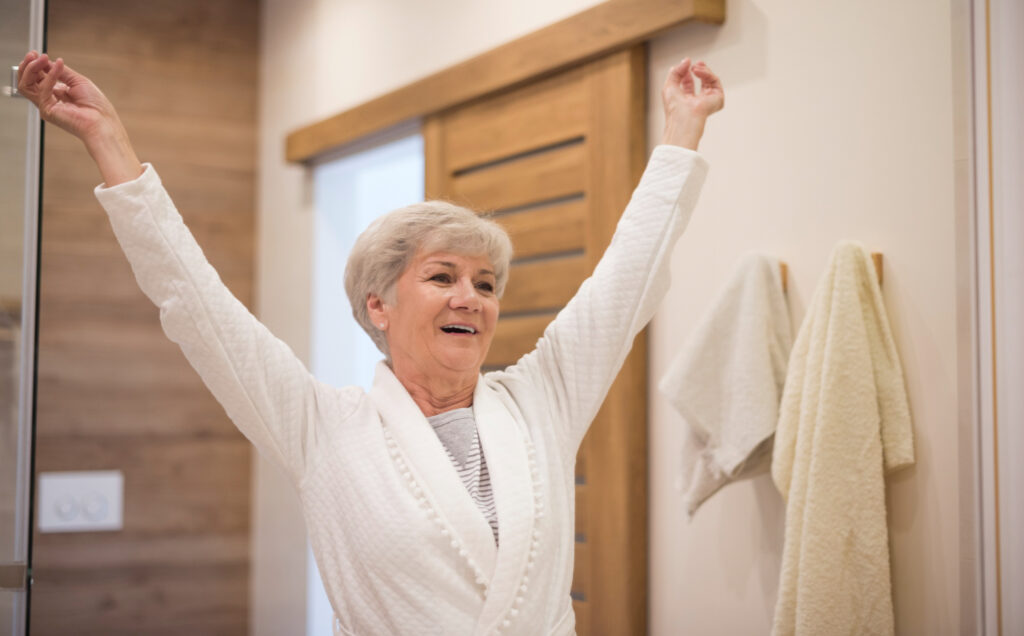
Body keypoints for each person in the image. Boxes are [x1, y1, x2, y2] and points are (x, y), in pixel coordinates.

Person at [17, 50, 723, 634]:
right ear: (378, 305)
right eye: (443, 276)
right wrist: (111, 145)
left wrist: (680, 132)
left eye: (485, 283)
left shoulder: (542, 400)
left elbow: (626, 278)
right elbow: (196, 306)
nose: (469, 298)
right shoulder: (322, 429)